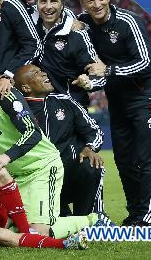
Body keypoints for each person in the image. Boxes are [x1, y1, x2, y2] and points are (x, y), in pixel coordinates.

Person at [0, 48, 98, 238]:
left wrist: (5, 156)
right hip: (15, 175)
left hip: (42, 166)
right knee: (8, 230)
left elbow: (32, 133)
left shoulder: (5, 95)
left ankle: (92, 220)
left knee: (37, 233)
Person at [77, 0, 151, 226]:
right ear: (82, 3)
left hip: (145, 97)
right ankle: (134, 213)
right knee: (124, 159)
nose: (96, 4)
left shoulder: (129, 21)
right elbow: (94, 69)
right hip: (117, 99)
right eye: (90, 0)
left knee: (146, 158)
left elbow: (145, 62)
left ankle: (145, 218)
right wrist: (92, 81)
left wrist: (109, 71)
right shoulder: (82, 24)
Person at [14, 64, 105, 216]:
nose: (44, 74)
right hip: (38, 181)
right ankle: (61, 214)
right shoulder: (16, 110)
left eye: (42, 71)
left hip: (69, 176)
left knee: (92, 164)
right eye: (36, 73)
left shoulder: (65, 101)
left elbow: (94, 130)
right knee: (54, 229)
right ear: (26, 87)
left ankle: (89, 217)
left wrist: (90, 148)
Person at [33, 0, 105, 107]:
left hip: (70, 108)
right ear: (36, 4)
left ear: (62, 5)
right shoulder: (27, 27)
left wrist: (89, 83)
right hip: (37, 109)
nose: (48, 6)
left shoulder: (77, 34)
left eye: (54, 1)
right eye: (43, 1)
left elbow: (99, 73)